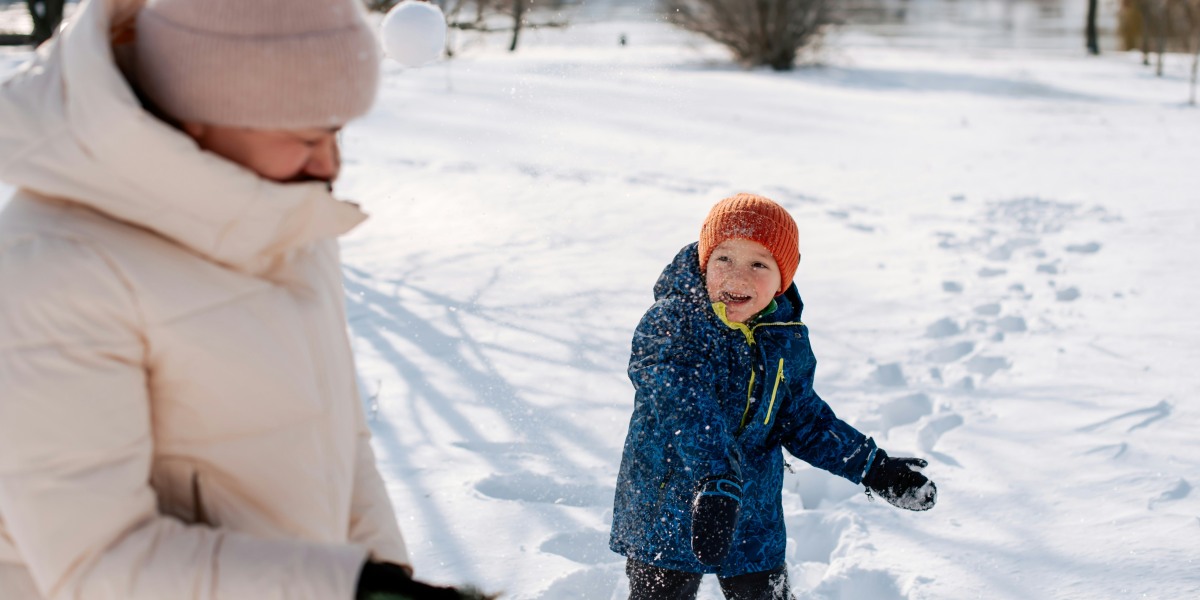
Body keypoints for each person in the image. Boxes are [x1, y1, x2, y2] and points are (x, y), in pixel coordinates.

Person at [0, 0, 486, 598]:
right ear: (200, 112)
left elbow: (343, 448)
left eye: (338, 132)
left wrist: (387, 577)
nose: (329, 164)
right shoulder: (54, 268)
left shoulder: (285, 216)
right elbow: (98, 566)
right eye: (307, 136)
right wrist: (349, 589)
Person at [609, 193, 937, 600]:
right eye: (724, 258)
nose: (736, 277)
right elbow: (684, 406)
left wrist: (873, 467)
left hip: (752, 510)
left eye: (758, 264)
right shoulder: (672, 324)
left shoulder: (785, 339)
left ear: (783, 279)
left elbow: (805, 420)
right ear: (704, 262)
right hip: (667, 505)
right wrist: (715, 477)